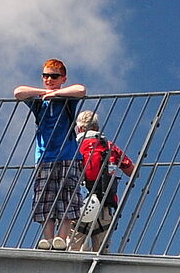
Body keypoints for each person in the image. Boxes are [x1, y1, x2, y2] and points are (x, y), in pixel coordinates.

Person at [12, 59, 89, 248]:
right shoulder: (40, 102)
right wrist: (44, 93)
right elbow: (18, 92)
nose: (49, 79)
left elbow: (80, 90)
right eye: (45, 76)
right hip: (44, 157)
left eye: (54, 76)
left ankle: (61, 238)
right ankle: (48, 238)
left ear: (63, 78)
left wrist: (56, 93)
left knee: (67, 197)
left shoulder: (66, 100)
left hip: (68, 155)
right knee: (44, 199)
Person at [71, 110, 135, 253]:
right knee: (101, 255)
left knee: (72, 251)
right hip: (104, 203)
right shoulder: (108, 145)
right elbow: (132, 171)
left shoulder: (72, 147)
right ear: (97, 128)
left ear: (79, 128)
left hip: (76, 205)